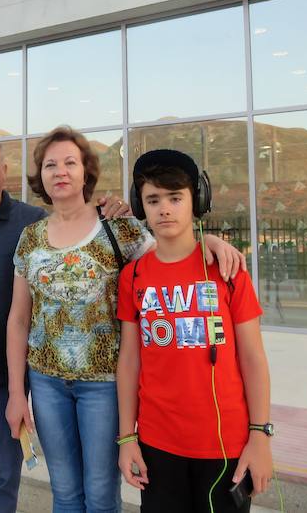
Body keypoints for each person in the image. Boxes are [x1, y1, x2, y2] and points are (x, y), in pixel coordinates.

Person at [0, 133, 243, 512]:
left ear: (5, 172)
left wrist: (206, 239)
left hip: (34, 384)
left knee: (30, 485)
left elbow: (163, 245)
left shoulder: (41, 222)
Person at [5, 126, 155, 512]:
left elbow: (174, 251)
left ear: (85, 172)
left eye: (70, 162)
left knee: (102, 494)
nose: (60, 171)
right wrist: (17, 393)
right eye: (51, 164)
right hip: (46, 382)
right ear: (40, 176)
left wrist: (211, 241)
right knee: (66, 492)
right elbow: (19, 319)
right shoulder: (31, 237)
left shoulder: (119, 228)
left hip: (105, 384)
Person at [116, 150, 272, 513]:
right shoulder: (133, 276)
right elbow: (129, 360)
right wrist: (127, 437)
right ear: (142, 207)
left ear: (196, 201)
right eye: (153, 200)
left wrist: (260, 435)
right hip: (157, 444)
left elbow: (252, 358)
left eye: (175, 198)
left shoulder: (228, 272)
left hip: (225, 445)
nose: (164, 209)